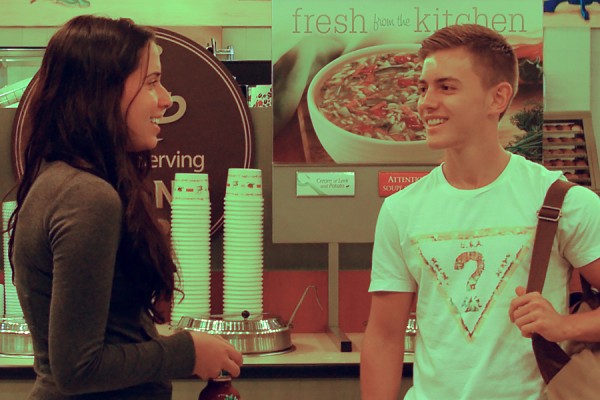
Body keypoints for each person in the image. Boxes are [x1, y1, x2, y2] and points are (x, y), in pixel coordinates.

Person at [6, 15, 243, 399]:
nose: (167, 98)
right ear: (101, 91)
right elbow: (77, 368)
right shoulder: (86, 196)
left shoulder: (61, 181)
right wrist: (187, 352)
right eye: (152, 82)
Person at [360, 23, 600, 400]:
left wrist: (564, 326)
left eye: (446, 87)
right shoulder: (401, 210)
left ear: (497, 98)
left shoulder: (559, 201)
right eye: (423, 88)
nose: (425, 102)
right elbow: (384, 338)